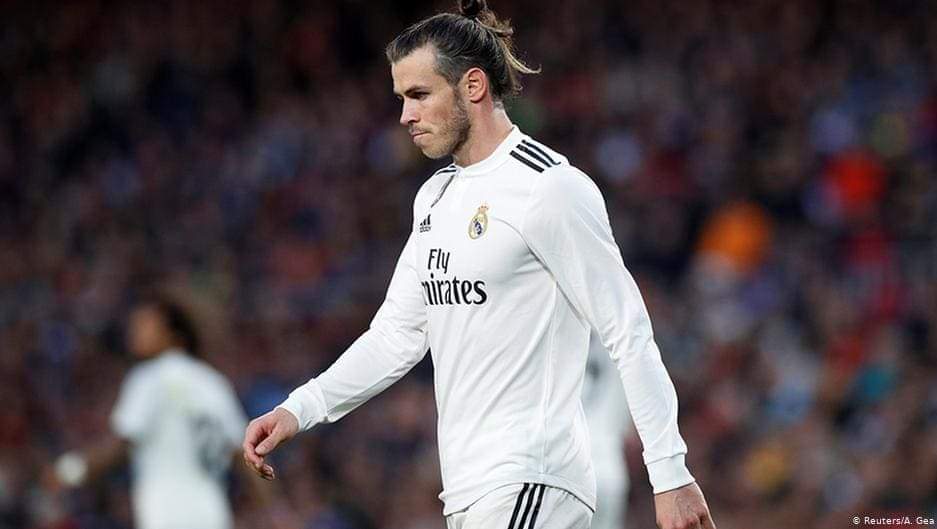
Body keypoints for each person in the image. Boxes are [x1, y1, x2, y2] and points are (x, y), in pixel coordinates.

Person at [243, 1, 716, 528]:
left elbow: (627, 329)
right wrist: (299, 409)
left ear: (473, 86)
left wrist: (670, 473)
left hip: (535, 478)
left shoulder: (548, 187)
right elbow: (397, 335)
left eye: (419, 95)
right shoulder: (435, 199)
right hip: (472, 491)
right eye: (401, 99)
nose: (405, 116)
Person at [50, 297, 281, 529]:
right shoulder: (212, 382)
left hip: (165, 512)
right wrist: (274, 511)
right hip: (211, 513)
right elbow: (245, 454)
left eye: (145, 325)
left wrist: (69, 471)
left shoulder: (148, 377)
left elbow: (121, 443)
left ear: (173, 333)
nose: (134, 333)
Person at [582, 331, 633, 529]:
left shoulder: (551, 331)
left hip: (563, 468)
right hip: (609, 471)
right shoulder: (624, 336)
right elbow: (630, 431)